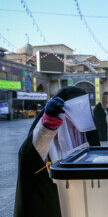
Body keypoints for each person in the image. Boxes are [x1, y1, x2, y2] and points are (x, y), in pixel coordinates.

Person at [14, 86, 100, 217]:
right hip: (52, 203)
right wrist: (48, 127)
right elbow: (30, 158)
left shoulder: (86, 133)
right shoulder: (46, 128)